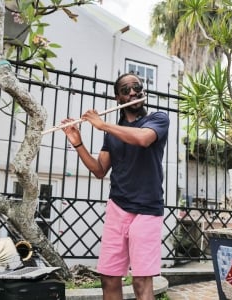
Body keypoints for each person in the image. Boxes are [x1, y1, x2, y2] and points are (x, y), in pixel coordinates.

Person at [60, 73, 169, 300]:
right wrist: (77, 142)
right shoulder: (112, 133)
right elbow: (99, 169)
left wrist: (102, 125)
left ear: (143, 91)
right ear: (118, 97)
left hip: (147, 209)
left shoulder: (158, 119)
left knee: (141, 281)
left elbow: (143, 139)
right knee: (109, 277)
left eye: (136, 87)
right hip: (118, 207)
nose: (132, 92)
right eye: (125, 89)